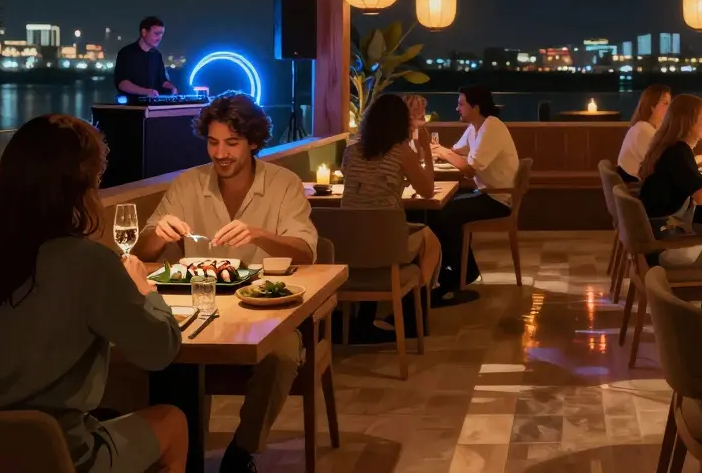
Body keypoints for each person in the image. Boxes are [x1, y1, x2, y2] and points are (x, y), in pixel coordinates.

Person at [0, 115, 187, 473]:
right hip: (50, 455)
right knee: (172, 422)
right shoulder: (88, 261)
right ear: (79, 189)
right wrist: (147, 293)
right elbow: (159, 351)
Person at [131, 92, 317, 473]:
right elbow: (142, 250)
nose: (221, 153)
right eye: (213, 142)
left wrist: (260, 234)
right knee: (161, 344)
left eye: (231, 143)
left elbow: (306, 252)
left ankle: (242, 450)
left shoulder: (283, 183)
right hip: (197, 309)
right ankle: (182, 454)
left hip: (264, 310)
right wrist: (160, 234)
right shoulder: (189, 183)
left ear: (253, 141)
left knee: (282, 355)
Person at [341, 93, 440, 328]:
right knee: (430, 241)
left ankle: (367, 316)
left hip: (350, 243)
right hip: (386, 241)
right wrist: (426, 150)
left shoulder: (350, 152)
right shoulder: (402, 153)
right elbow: (427, 191)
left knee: (385, 230)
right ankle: (411, 307)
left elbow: (356, 183)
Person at [430, 85, 520, 297]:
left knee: (445, 213)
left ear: (476, 107)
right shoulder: (475, 127)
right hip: (487, 193)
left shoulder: (492, 127)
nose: (457, 108)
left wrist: (441, 151)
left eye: (461, 104)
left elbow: (470, 169)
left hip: (499, 199)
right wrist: (439, 152)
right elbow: (455, 152)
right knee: (440, 210)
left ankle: (463, 272)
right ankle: (449, 271)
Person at [637, 94, 702, 233]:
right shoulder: (677, 151)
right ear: (688, 122)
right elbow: (701, 197)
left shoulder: (671, 147)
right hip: (665, 228)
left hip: (658, 220)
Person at [616, 84, 671, 182]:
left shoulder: (653, 127)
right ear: (652, 106)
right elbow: (657, 163)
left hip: (641, 179)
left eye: (670, 103)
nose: (669, 107)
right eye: (665, 103)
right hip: (635, 183)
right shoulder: (643, 129)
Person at [114, 16, 177, 97]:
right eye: (156, 34)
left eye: (162, 34)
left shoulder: (157, 55)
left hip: (153, 102)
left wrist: (172, 87)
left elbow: (162, 81)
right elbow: (122, 84)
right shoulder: (126, 53)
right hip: (132, 103)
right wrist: (146, 92)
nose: (159, 38)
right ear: (144, 32)